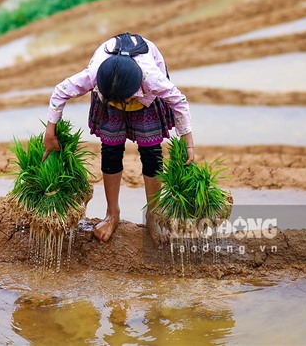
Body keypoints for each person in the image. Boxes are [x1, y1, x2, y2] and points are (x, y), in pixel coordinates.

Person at [42, 32, 195, 244]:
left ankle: (153, 214)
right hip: (109, 96)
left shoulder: (152, 78)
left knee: (151, 153)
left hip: (145, 101)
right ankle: (112, 214)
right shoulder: (94, 73)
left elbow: (179, 101)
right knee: (111, 151)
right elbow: (60, 92)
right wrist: (50, 132)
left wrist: (188, 142)